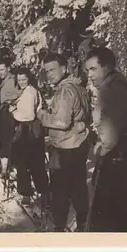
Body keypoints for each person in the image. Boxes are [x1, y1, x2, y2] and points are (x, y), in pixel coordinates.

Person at [85, 46, 127, 232]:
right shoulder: (123, 85)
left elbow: (109, 138)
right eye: (87, 70)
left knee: (112, 225)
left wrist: (97, 149)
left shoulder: (110, 90)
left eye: (93, 69)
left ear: (106, 67)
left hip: (119, 171)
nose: (89, 75)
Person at [36, 52, 92, 232]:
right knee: (78, 188)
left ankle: (58, 228)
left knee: (60, 191)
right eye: (46, 71)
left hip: (64, 148)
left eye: (53, 69)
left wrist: (41, 114)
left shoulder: (64, 91)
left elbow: (61, 122)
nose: (49, 74)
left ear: (64, 68)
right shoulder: (79, 87)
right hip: (78, 145)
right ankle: (83, 223)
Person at [8, 66, 49, 206]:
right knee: (34, 163)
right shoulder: (29, 90)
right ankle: (43, 192)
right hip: (32, 130)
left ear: (29, 78)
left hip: (28, 130)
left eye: (24, 79)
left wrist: (13, 111)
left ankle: (29, 193)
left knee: (25, 163)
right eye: (19, 80)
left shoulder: (30, 92)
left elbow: (29, 115)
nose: (21, 82)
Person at [0, 58, 22, 176]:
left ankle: (9, 167)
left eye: (2, 69)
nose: (0, 72)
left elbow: (19, 95)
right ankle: (6, 167)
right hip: (4, 112)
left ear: (8, 68)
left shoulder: (12, 81)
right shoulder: (4, 81)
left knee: (7, 140)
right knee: (4, 139)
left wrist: (11, 103)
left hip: (10, 114)